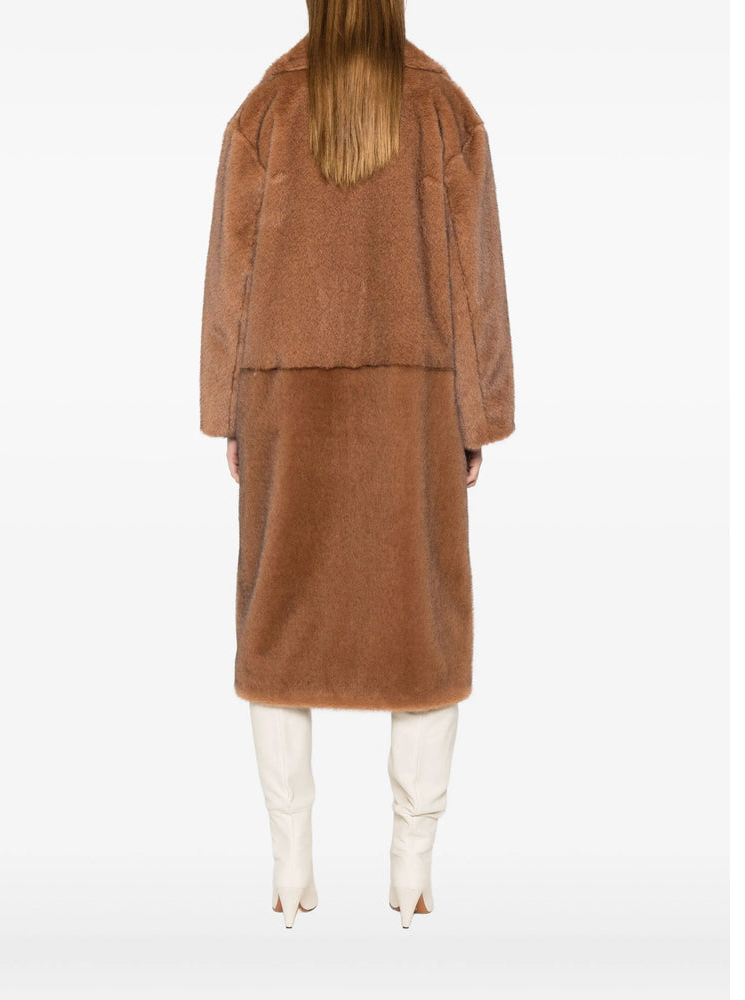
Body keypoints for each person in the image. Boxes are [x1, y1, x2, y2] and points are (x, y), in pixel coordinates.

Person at [199, 1, 515, 929]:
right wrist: (478, 415)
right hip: (414, 407)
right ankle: (411, 871)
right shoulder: (442, 107)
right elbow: (476, 281)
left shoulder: (266, 107)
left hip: (285, 401)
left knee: (276, 623)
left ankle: (290, 867)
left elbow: (231, 275)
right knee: (424, 627)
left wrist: (228, 410)